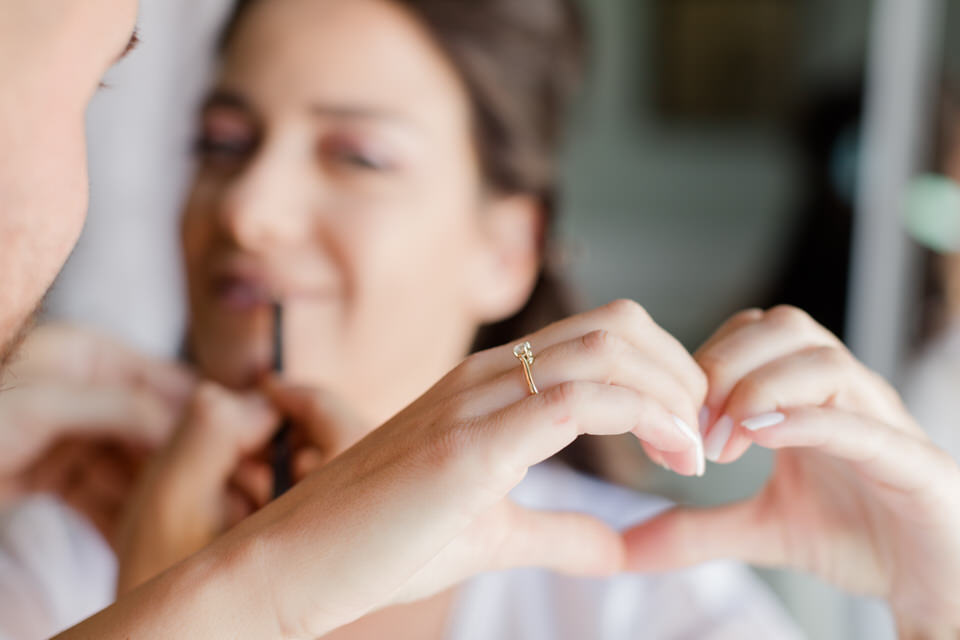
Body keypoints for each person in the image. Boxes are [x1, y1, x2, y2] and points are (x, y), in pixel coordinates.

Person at [0, 1, 958, 639]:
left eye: (358, 156)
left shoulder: (645, 605)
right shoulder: (56, 542)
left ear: (507, 250)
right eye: (222, 142)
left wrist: (938, 606)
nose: (247, 210)